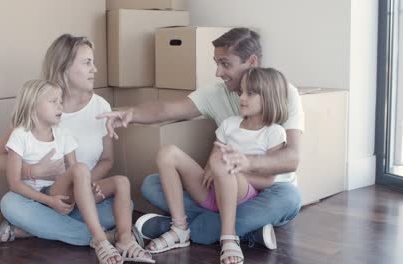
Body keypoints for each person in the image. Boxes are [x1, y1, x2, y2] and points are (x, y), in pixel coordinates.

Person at [97, 27, 304, 249]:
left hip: (270, 191)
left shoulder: (282, 92)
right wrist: (131, 114)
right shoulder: (217, 94)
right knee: (151, 185)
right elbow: (168, 109)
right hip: (219, 187)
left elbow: (291, 158)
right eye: (216, 63)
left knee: (290, 198)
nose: (218, 72)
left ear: (251, 61)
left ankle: (184, 227)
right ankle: (239, 229)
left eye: (225, 64)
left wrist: (242, 165)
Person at [0, 34, 153, 264]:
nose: (94, 69)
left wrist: (86, 185)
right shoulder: (38, 107)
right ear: (64, 66)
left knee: (120, 206)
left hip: (82, 197)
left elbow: (107, 159)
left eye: (93, 62)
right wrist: (32, 171)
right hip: (40, 198)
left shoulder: (101, 107)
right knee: (10, 204)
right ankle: (107, 237)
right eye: (87, 62)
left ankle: (31, 229)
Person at [142, 68, 289, 264]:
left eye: (250, 93)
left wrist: (231, 172)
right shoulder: (229, 124)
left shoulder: (274, 132)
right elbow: (211, 163)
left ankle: (228, 236)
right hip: (211, 193)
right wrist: (215, 170)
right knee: (166, 153)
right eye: (241, 92)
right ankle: (179, 228)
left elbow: (268, 180)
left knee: (224, 163)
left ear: (269, 97)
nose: (242, 97)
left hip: (242, 194)